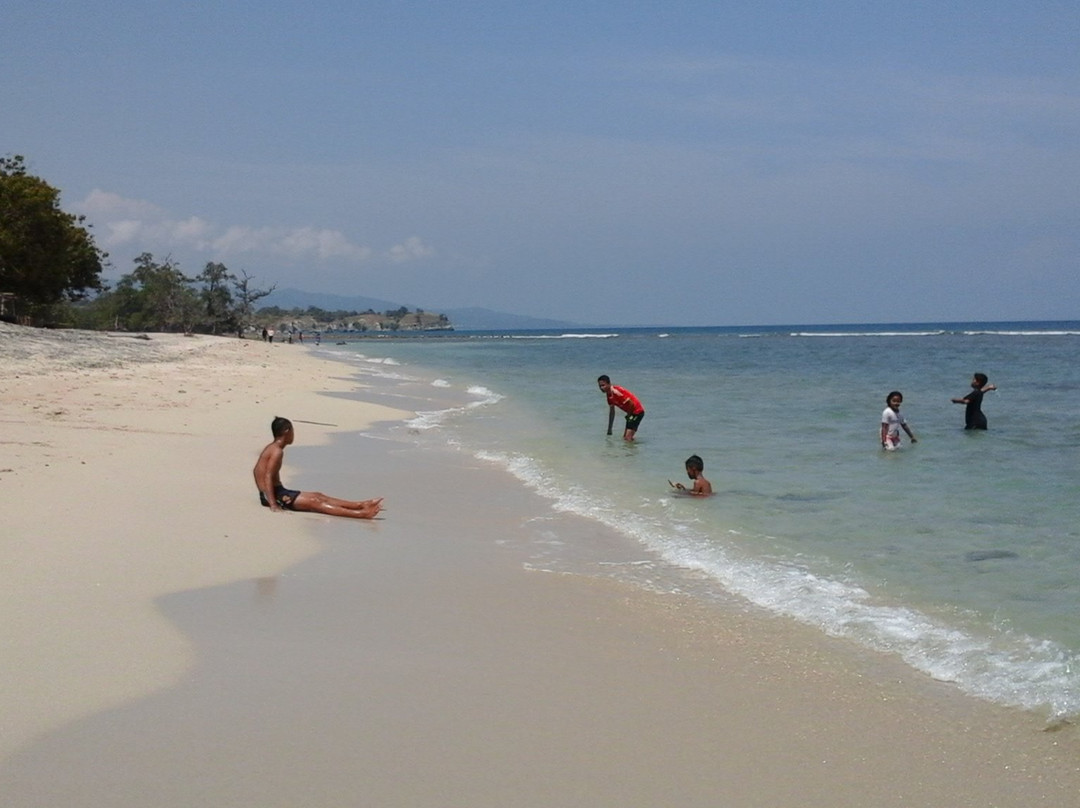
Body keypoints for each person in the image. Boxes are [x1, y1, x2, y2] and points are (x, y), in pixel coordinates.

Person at [253, 417, 383, 519]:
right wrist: (273, 504)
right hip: (274, 496)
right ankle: (361, 514)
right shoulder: (276, 451)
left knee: (318, 495)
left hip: (277, 492)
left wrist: (264, 491)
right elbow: (268, 476)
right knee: (315, 502)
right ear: (287, 432)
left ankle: (360, 505)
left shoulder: (271, 448)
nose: (293, 435)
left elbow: (256, 470)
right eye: (293, 431)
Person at [597, 375, 645, 441]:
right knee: (625, 438)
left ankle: (633, 449)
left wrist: (629, 415)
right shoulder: (609, 396)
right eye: (600, 386)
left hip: (637, 412)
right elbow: (612, 412)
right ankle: (633, 448)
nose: (601, 388)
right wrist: (610, 429)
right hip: (631, 413)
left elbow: (631, 403)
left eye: (603, 385)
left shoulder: (616, 392)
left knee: (627, 438)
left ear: (609, 384)